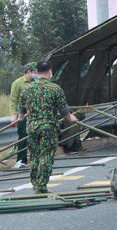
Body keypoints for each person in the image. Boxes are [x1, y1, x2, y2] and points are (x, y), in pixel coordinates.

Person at [17, 61, 77, 193]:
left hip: (32, 127)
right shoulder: (55, 88)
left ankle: (35, 184)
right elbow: (64, 112)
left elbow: (21, 113)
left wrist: (21, 118)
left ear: (36, 72)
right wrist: (73, 118)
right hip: (48, 128)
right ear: (50, 71)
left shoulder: (27, 89)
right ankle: (41, 186)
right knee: (46, 156)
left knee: (34, 156)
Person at [8, 62, 37, 169]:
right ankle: (21, 160)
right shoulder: (18, 83)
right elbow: (13, 100)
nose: (36, 74)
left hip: (35, 115)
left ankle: (36, 159)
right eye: (34, 72)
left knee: (36, 136)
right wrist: (13, 115)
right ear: (28, 71)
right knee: (23, 137)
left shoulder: (37, 82)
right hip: (23, 115)